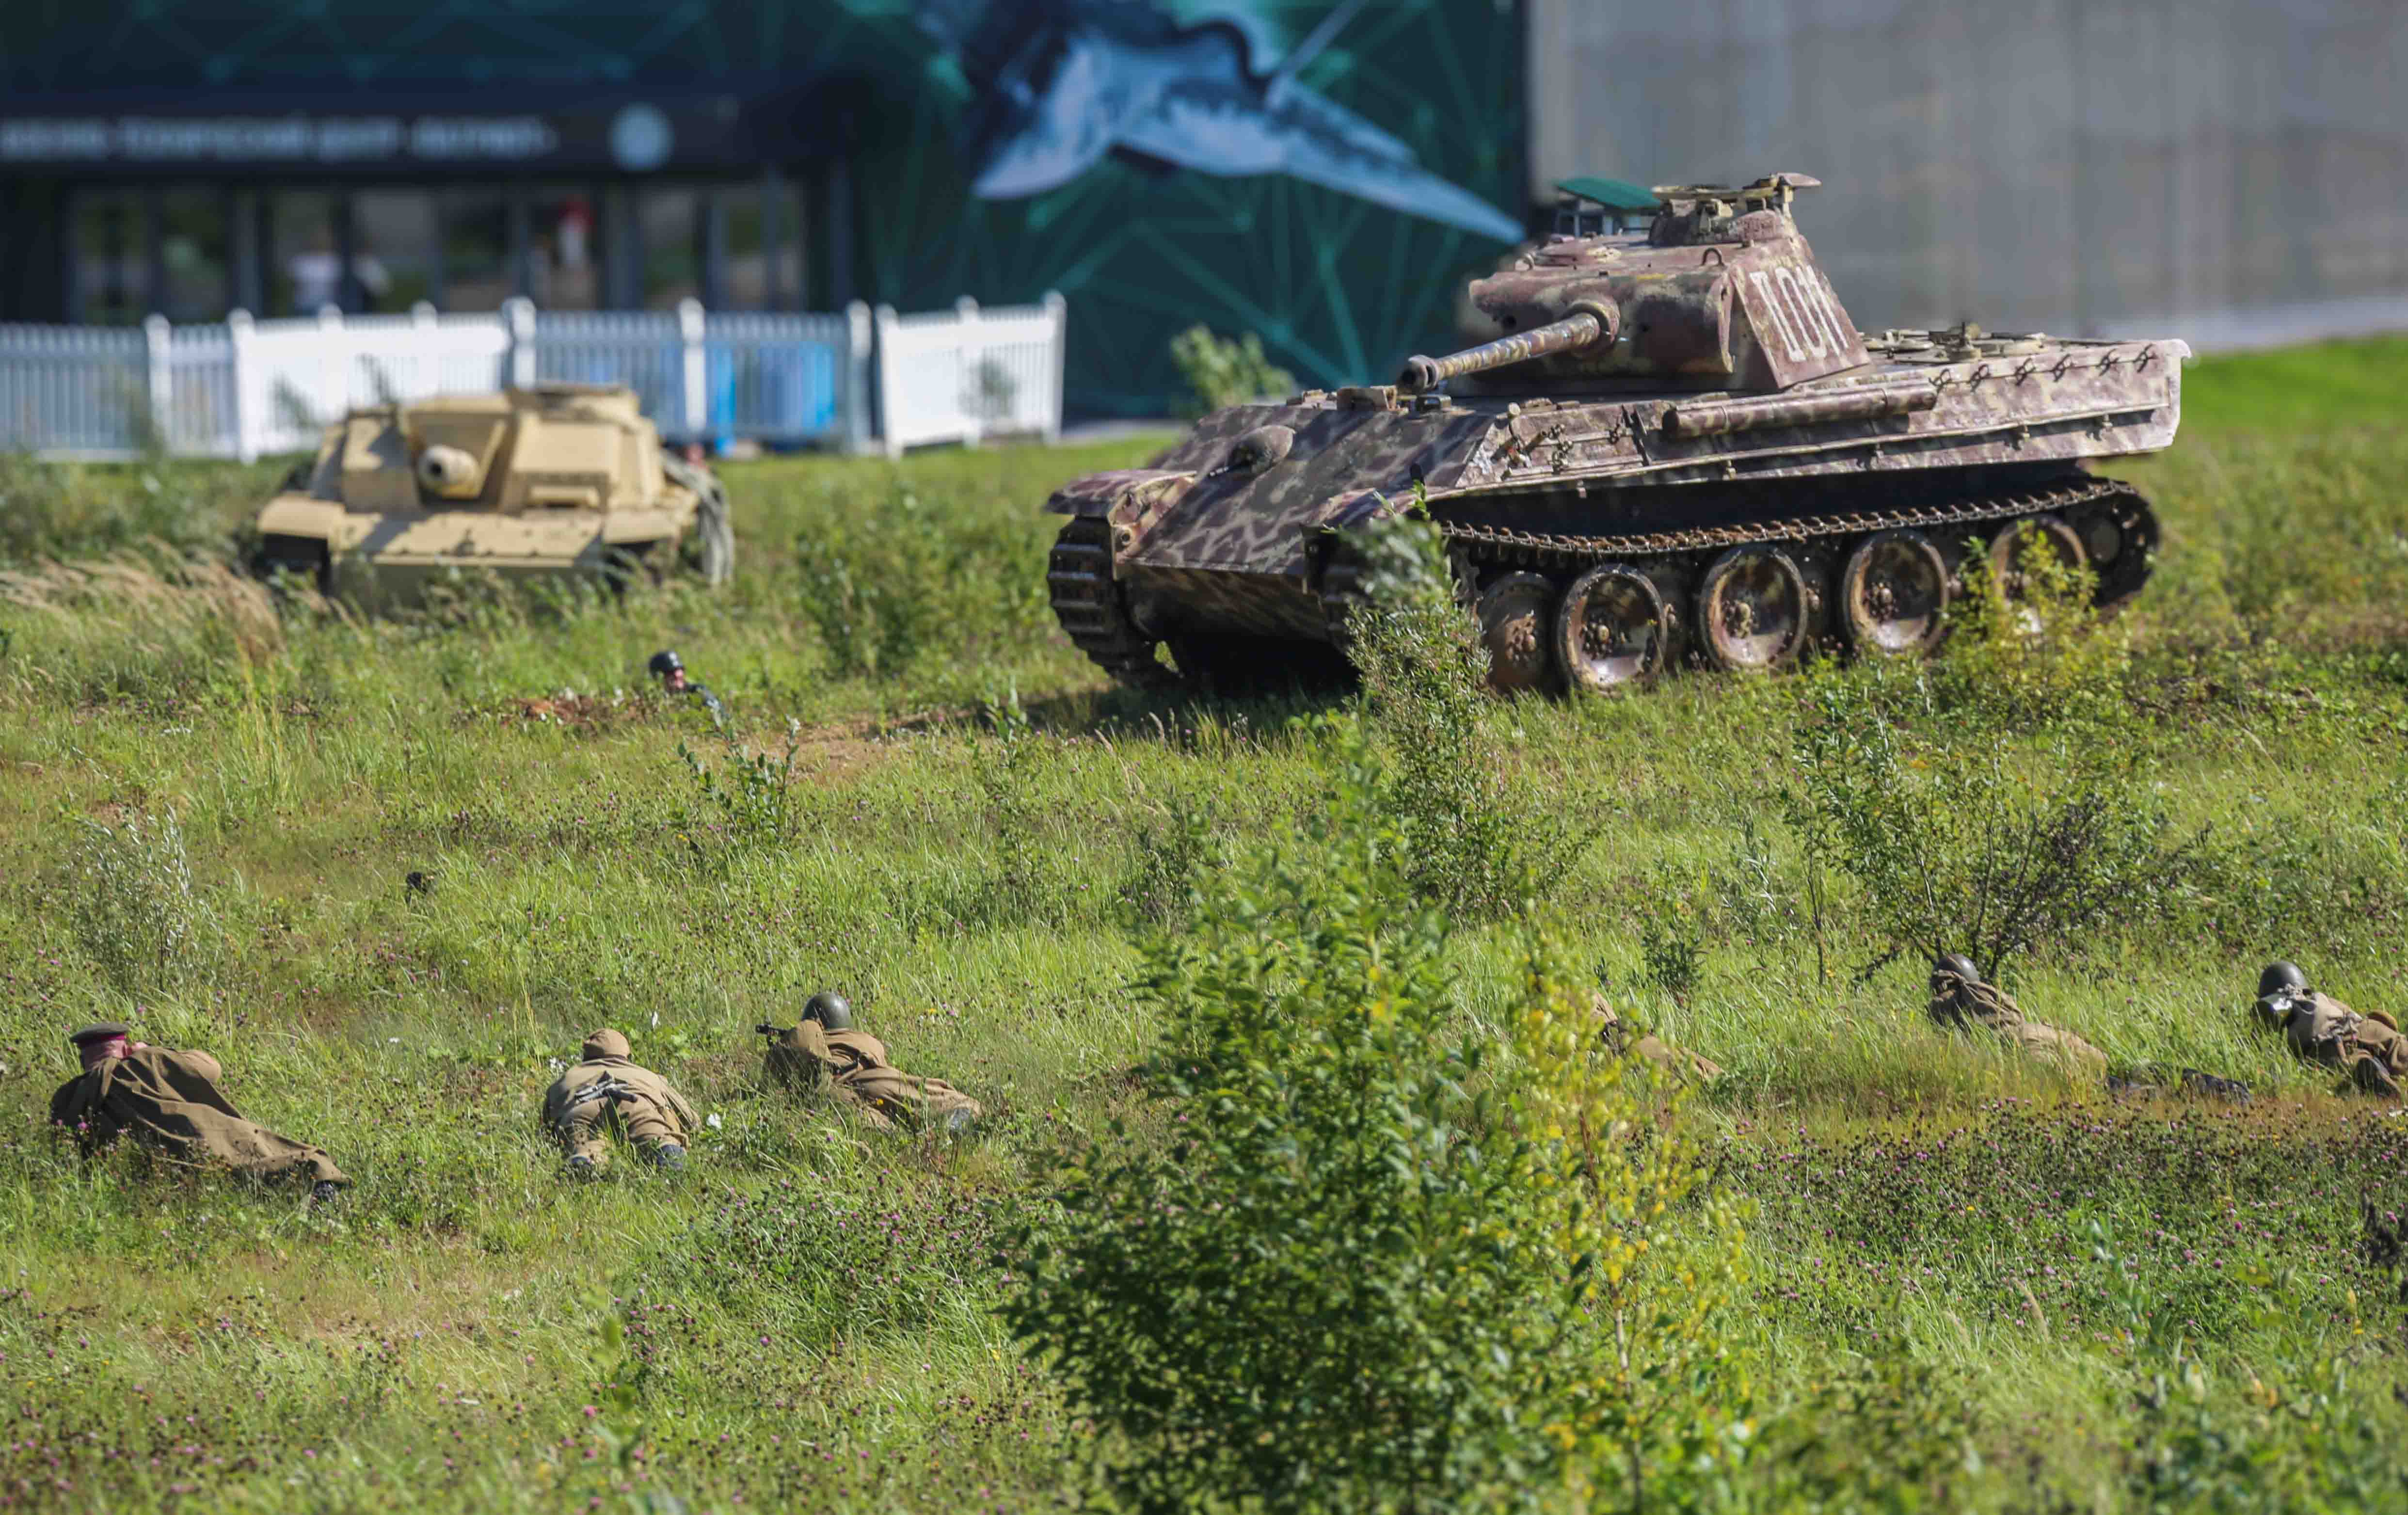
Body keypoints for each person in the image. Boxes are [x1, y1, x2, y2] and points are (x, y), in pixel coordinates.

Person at [48, 1022, 347, 1202]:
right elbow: (211, 1068)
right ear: (124, 1048)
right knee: (306, 1158)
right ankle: (320, 1189)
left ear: (83, 1060)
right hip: (207, 1143)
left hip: (151, 1180)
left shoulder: (67, 1097)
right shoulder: (146, 1061)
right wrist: (152, 1050)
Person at [760, 992, 984, 1135]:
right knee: (965, 1104)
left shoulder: (806, 1038)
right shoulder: (867, 1040)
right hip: (879, 1081)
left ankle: (898, 1138)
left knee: (867, 1125)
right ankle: (950, 1130)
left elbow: (771, 1085)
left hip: (838, 1091)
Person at [540, 1028, 699, 1175]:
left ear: (586, 1056)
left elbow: (547, 1126)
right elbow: (690, 1120)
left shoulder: (564, 1080)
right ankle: (669, 1159)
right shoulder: (648, 1075)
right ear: (626, 1055)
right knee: (658, 1140)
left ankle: (585, 1162)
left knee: (586, 1150)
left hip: (582, 1109)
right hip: (634, 1104)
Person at [1926, 953, 2107, 1074]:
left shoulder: (1943, 1003)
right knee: (2100, 1071)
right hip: (2040, 1031)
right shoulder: (1987, 993)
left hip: (2015, 1047)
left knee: (2060, 1082)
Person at [2251, 961, 2407, 1099]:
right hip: (2367, 1028)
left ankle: (2371, 1073)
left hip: (2331, 1045)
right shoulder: (2323, 999)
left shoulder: (2281, 1021)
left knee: (2352, 1069)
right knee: (2400, 1050)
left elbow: (2263, 1046)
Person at [1590, 991, 1721, 1084]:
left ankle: (1719, 1082)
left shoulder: (1588, 994)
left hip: (1627, 1037)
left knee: (1691, 1064)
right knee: (1682, 1067)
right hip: (1621, 1042)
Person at [647, 649, 726, 727]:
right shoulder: (657, 703)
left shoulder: (698, 692)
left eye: (679, 670)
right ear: (658, 678)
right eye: (670, 672)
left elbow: (720, 719)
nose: (677, 675)